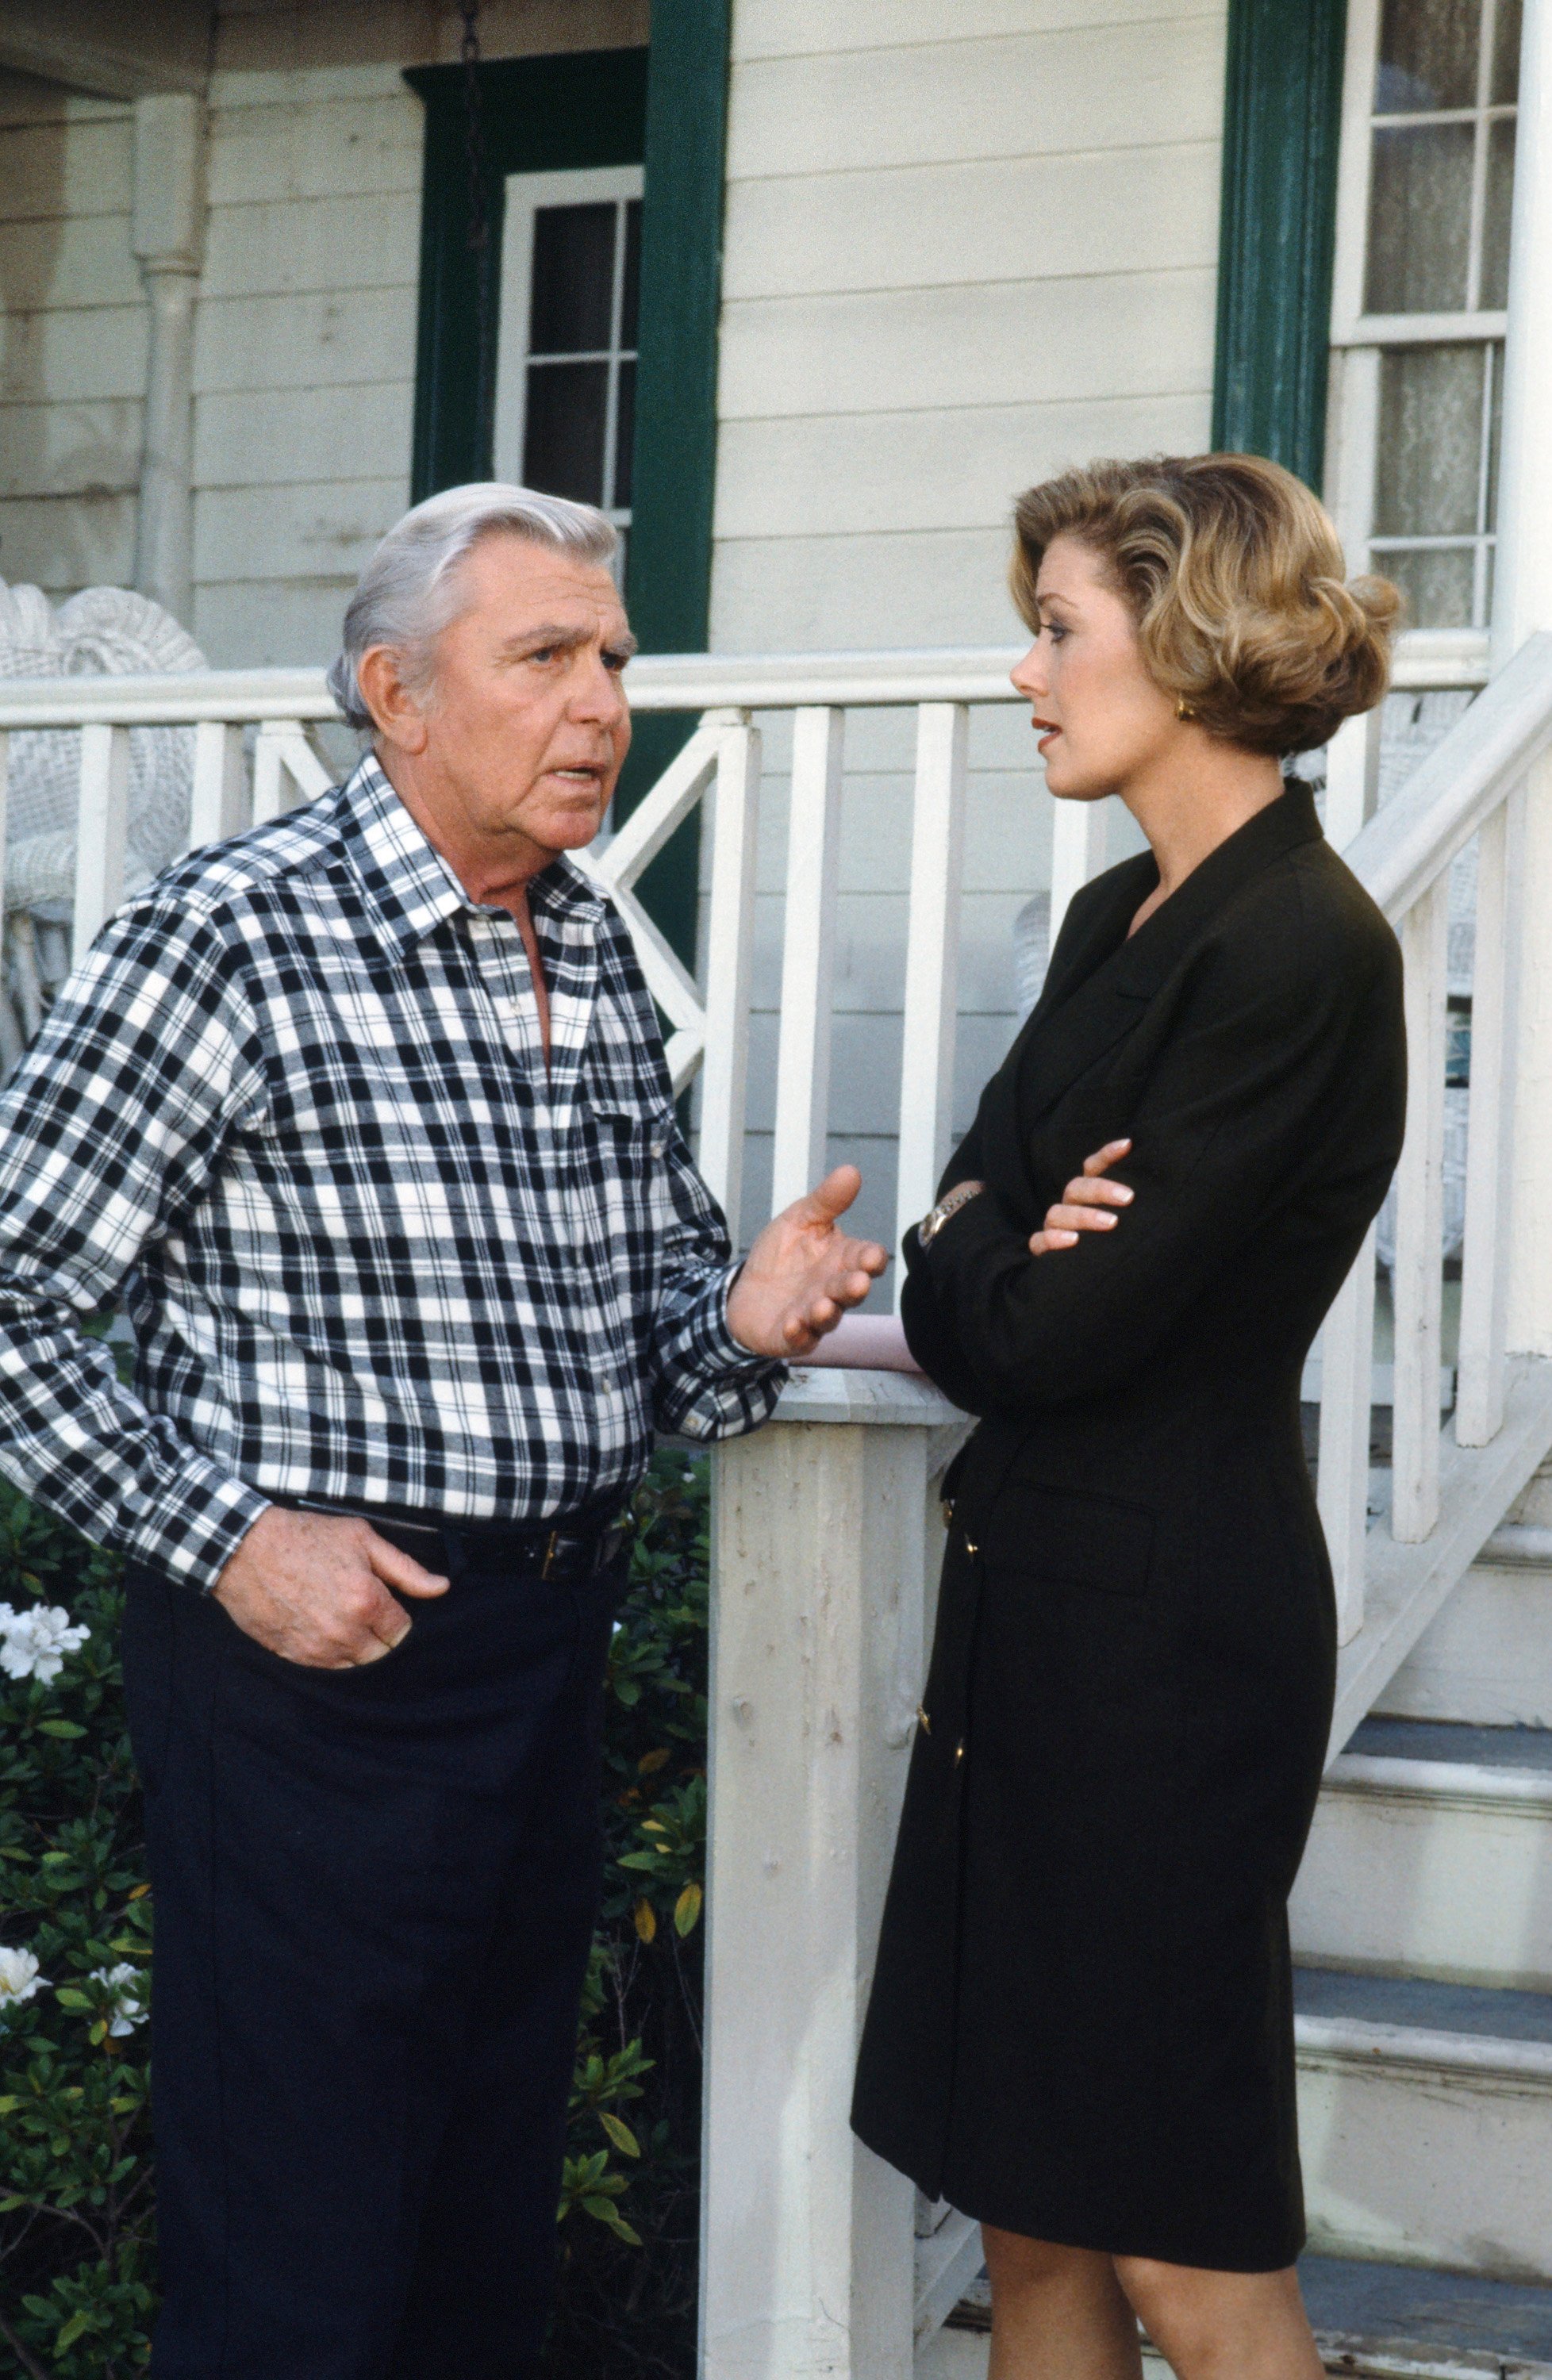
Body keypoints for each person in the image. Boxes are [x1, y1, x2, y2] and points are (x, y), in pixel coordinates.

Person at [0, 482, 886, 2378]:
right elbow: (14, 1300)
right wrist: (232, 1543)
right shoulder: (231, 936)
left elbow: (645, 1345)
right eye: (545, 658)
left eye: (618, 661)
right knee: (300, 2273)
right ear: (396, 693)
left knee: (482, 2244)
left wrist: (743, 1321)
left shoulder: (587, 949)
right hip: (318, 1669)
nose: (600, 705)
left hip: (538, 1655)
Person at [851, 455, 1406, 2380]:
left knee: (1183, 2249)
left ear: (1184, 638)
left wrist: (982, 1248)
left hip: (1168, 1659)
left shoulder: (1302, 950)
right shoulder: (1116, 924)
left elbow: (1053, 1332)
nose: (1026, 671)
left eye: (1060, 628)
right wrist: (982, 1231)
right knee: (1034, 2236)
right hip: (1029, 1626)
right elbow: (972, 1217)